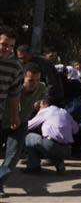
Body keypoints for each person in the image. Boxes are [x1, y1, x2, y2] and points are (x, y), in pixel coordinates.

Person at [0, 63, 47, 197]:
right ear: (23, 79)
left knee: (13, 156)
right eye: (31, 80)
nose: (35, 83)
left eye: (37, 80)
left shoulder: (41, 88)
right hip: (3, 122)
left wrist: (39, 106)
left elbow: (41, 102)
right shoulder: (13, 88)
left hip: (20, 125)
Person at [23, 99, 79, 174]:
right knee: (47, 142)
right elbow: (76, 129)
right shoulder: (65, 112)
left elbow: (28, 126)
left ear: (44, 104)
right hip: (67, 150)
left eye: (39, 107)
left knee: (29, 137)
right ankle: (58, 162)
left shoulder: (46, 111)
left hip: (51, 145)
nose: (39, 110)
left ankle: (33, 167)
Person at [0, 26, 22, 131]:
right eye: (4, 45)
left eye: (11, 46)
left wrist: (15, 116)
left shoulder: (15, 67)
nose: (8, 49)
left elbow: (14, 93)